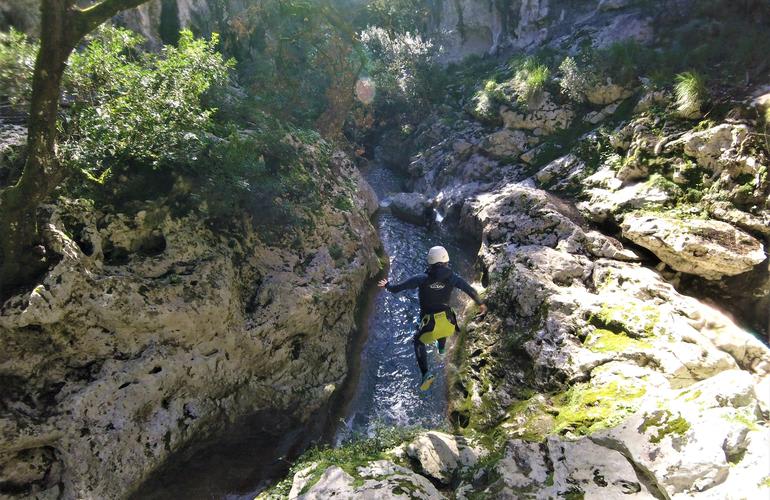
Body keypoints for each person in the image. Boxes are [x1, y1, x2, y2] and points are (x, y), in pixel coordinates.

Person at [378, 246, 487, 391]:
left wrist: (387, 285)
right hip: (449, 322)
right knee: (443, 328)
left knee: (418, 341)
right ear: (446, 262)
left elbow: (397, 288)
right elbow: (470, 290)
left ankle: (425, 374)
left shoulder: (421, 279)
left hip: (429, 324)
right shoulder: (453, 278)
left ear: (430, 262)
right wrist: (481, 304)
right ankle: (441, 350)